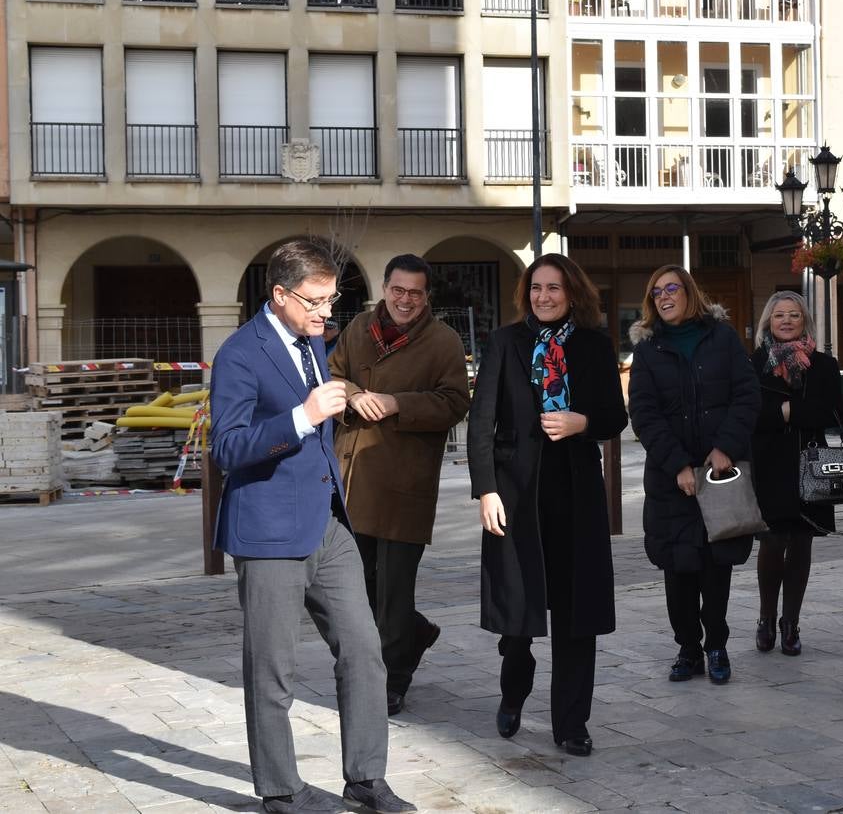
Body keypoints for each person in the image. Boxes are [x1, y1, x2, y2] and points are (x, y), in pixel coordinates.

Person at [210, 239, 415, 814]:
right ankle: (279, 789)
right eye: (315, 300)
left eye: (332, 299)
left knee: (364, 650)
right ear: (279, 295)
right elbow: (225, 447)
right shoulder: (239, 354)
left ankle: (366, 778)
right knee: (274, 670)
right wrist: (303, 416)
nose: (327, 312)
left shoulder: (311, 342)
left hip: (328, 526)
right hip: (269, 532)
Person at [467, 253, 627, 758]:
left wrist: (583, 423)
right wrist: (486, 489)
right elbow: (480, 422)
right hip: (515, 495)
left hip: (576, 493)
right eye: (536, 287)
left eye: (554, 288)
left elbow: (613, 415)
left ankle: (571, 723)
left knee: (577, 614)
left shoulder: (594, 345)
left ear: (572, 292)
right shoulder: (505, 342)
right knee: (518, 614)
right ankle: (514, 691)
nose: (544, 296)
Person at [328, 254, 470, 717]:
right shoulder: (357, 330)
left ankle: (392, 678)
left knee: (394, 590)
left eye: (415, 292)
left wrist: (394, 403)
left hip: (405, 482)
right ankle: (414, 635)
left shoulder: (443, 341)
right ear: (384, 289)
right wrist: (353, 397)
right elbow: (333, 375)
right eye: (398, 290)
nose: (405, 300)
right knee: (357, 587)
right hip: (353, 479)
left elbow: (453, 403)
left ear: (426, 295)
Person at [627, 265, 760, 685]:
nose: (664, 296)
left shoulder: (721, 337)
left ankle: (716, 644)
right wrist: (678, 465)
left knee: (716, 565)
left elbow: (746, 395)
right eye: (656, 292)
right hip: (673, 480)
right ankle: (688, 648)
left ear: (689, 293)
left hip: (719, 473)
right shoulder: (648, 350)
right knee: (679, 569)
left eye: (672, 288)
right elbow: (643, 414)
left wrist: (726, 449)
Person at [747, 290, 842, 657]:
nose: (786, 321)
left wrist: (786, 411)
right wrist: (785, 412)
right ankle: (766, 618)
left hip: (810, 463)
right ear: (768, 323)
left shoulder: (823, 365)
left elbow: (832, 414)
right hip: (768, 464)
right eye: (779, 316)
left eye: (794, 315)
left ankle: (791, 623)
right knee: (772, 542)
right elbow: (749, 415)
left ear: (805, 321)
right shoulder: (754, 364)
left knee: (802, 541)